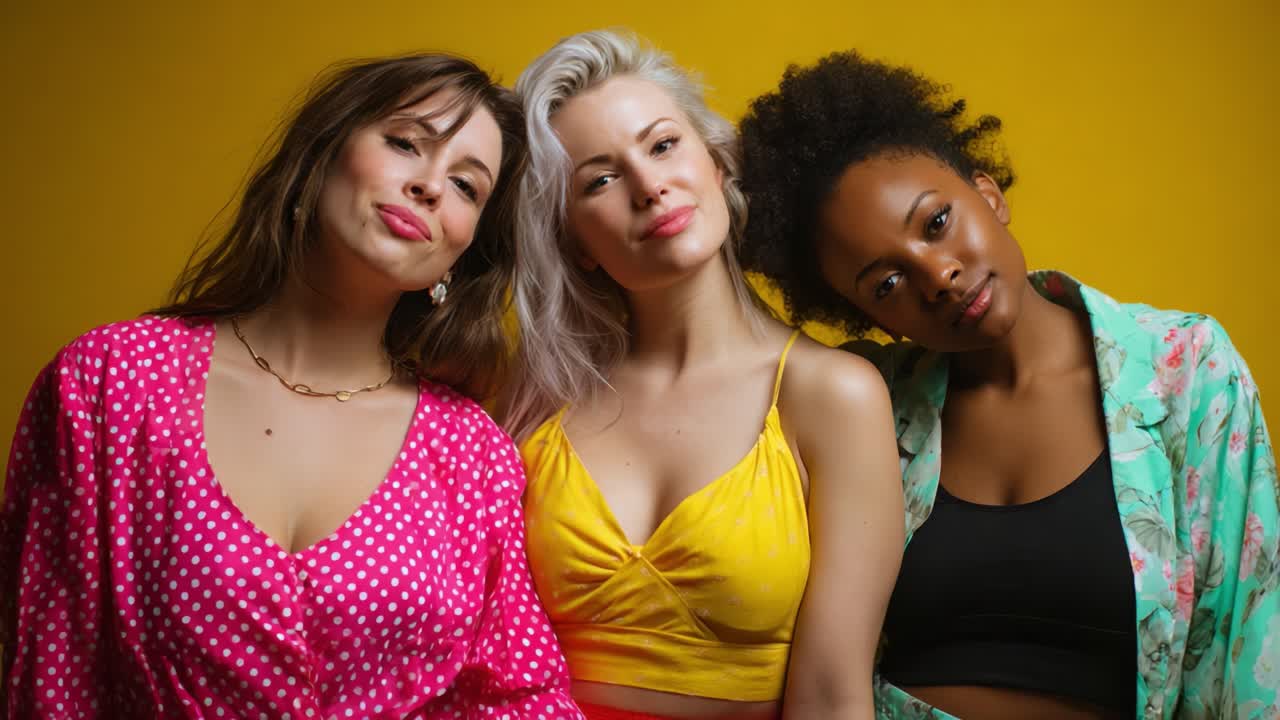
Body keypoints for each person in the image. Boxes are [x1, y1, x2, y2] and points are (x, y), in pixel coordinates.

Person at [1, 53, 581, 719]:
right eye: (404, 143)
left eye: (466, 187)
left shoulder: (473, 454)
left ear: (462, 252)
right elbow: (53, 672)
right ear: (322, 154)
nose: (429, 186)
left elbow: (518, 695)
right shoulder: (112, 381)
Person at [737, 49, 1279, 720]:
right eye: (888, 283)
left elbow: (1242, 650)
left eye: (937, 223)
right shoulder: (865, 406)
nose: (938, 276)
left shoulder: (1185, 370)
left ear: (989, 195)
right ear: (872, 320)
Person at [500, 31, 904, 720]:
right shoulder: (530, 397)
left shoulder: (833, 394)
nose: (650, 186)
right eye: (600, 179)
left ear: (718, 165)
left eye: (662, 146)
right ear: (576, 243)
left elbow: (834, 693)